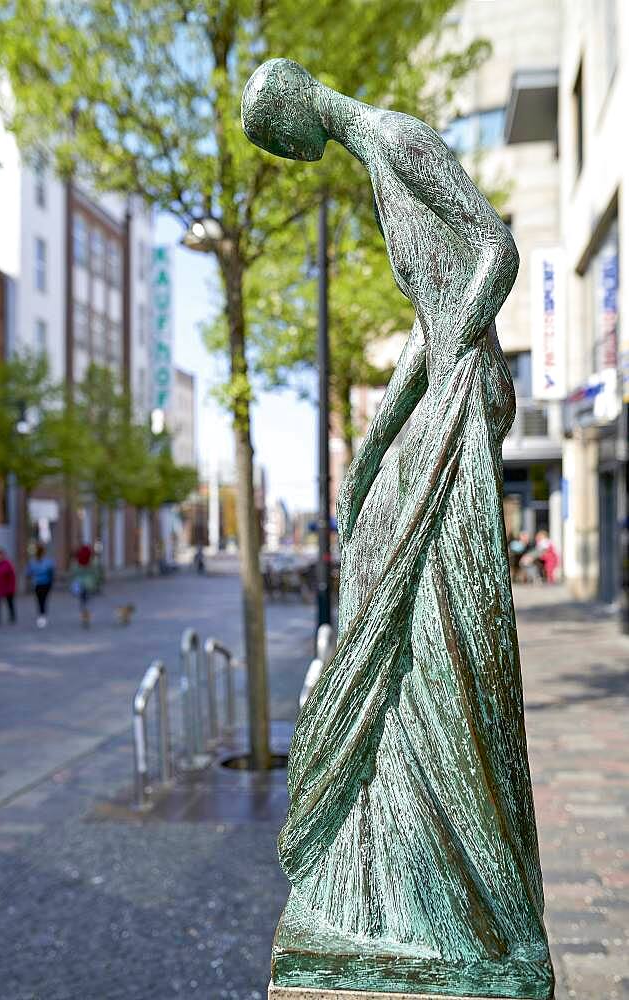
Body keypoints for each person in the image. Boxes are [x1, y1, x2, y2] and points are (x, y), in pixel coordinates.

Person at [242, 60, 553, 998]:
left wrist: (456, 361)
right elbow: (428, 320)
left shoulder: (402, 138)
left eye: (277, 137)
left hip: (466, 397)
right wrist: (370, 449)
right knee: (382, 560)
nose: (289, 155)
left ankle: (461, 886)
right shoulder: (376, 159)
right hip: (442, 385)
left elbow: (495, 251)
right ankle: (386, 850)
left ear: (294, 106)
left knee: (432, 616)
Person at [27, 543, 55, 628]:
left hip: (39, 583)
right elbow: (51, 571)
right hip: (44, 583)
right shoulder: (47, 560)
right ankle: (42, 615)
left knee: (40, 600)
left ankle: (41, 615)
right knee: (42, 600)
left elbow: (29, 573)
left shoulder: (33, 561)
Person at [71, 543, 98, 627]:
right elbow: (96, 574)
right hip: (90, 584)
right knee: (89, 602)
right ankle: (87, 616)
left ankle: (84, 616)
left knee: (82, 601)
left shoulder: (76, 563)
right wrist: (97, 583)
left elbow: (73, 573)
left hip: (79, 585)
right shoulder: (93, 562)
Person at [0, 548, 16, 626]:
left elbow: (12, 577)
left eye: (0, 554)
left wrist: (12, 588)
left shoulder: (8, 564)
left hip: (7, 588)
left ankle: (12, 616)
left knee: (10, 603)